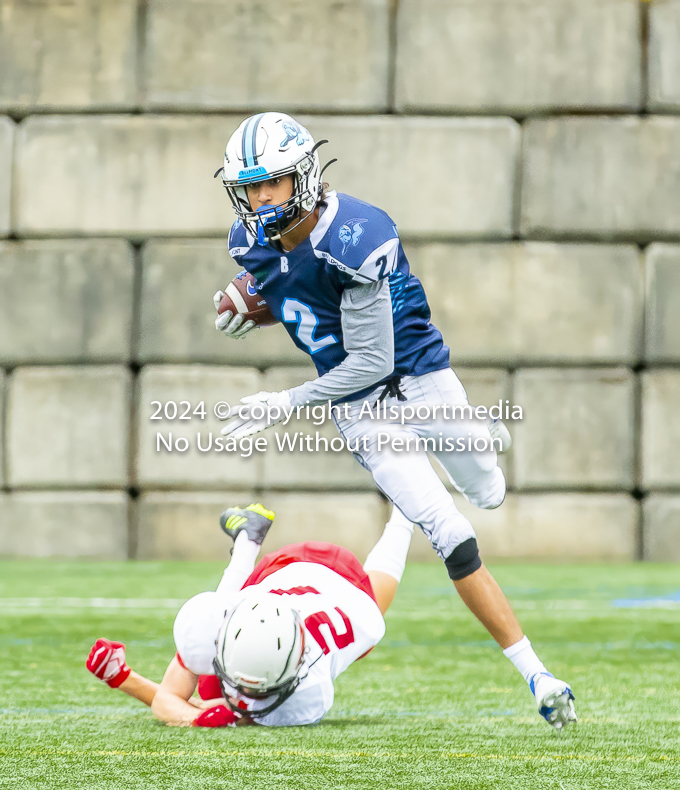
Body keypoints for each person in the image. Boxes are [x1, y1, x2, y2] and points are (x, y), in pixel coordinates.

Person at [211, 113, 577, 729]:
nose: (259, 199)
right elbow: (295, 291)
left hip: (415, 376)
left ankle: (478, 438)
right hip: (358, 408)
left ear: (301, 176)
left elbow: (372, 359)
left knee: (488, 489)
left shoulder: (356, 233)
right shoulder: (251, 241)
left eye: (271, 183)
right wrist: (258, 300)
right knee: (451, 531)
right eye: (250, 187)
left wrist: (285, 402)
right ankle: (537, 674)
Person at [86, 502, 416, 727]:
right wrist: (125, 680)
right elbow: (174, 703)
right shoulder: (217, 624)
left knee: (211, 691)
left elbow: (203, 711)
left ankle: (405, 513)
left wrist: (123, 679)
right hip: (278, 575)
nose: (245, 698)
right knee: (213, 688)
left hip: (342, 586)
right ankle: (248, 539)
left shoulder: (308, 694)